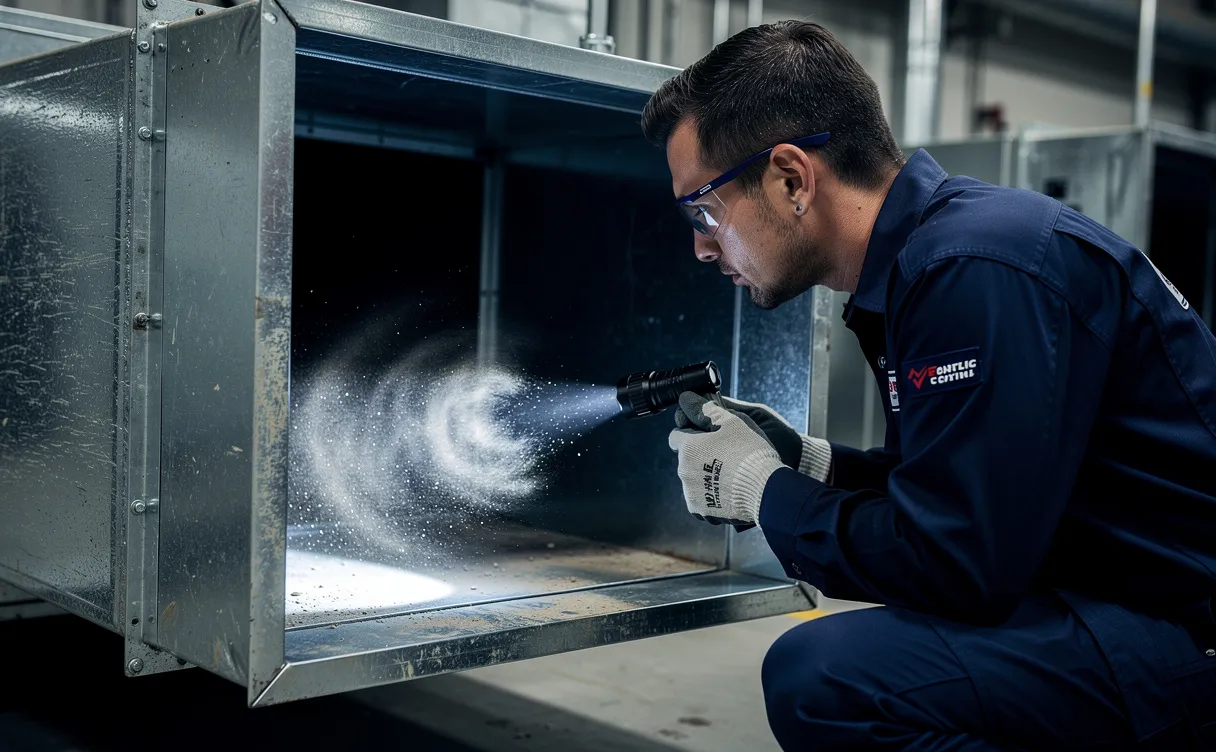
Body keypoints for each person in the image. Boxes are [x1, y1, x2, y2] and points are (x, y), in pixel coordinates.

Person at [642, 20, 1216, 751]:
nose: (699, 244)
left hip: (1179, 634)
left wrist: (764, 491)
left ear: (791, 178)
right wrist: (811, 464)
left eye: (704, 208)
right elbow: (956, 494)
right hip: (1115, 600)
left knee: (825, 681)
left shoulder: (974, 269)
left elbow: (957, 565)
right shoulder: (932, 265)